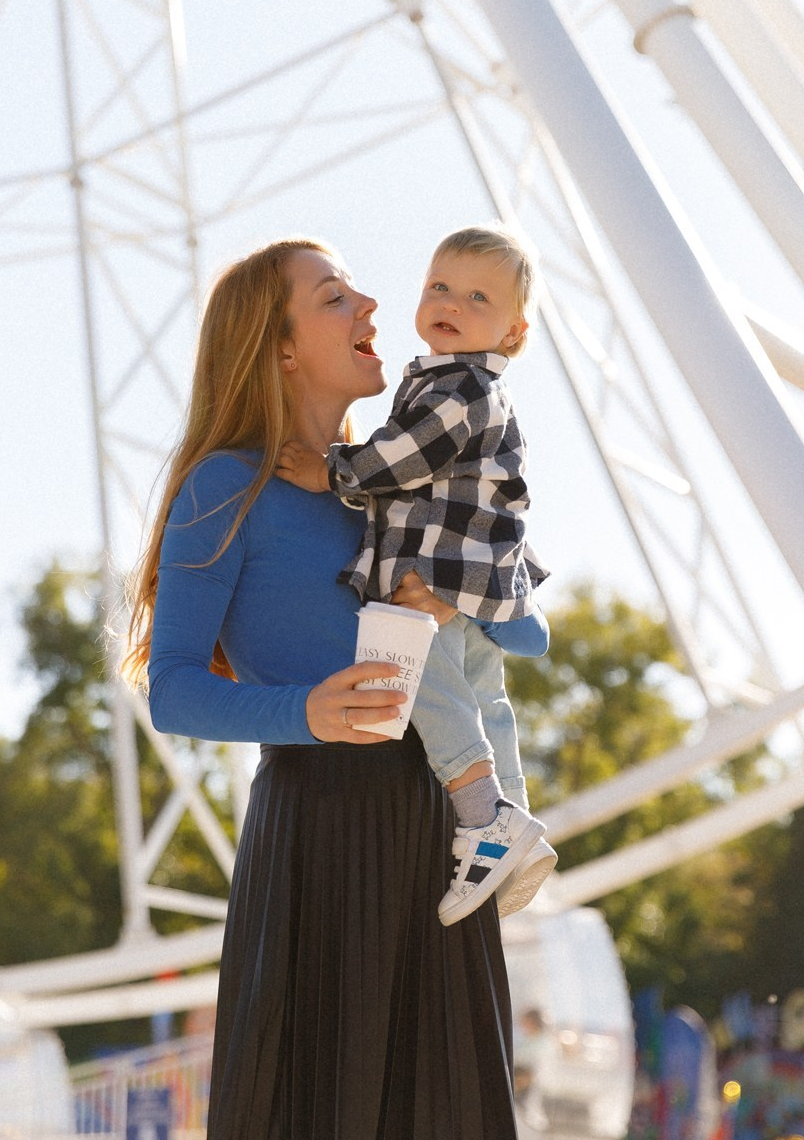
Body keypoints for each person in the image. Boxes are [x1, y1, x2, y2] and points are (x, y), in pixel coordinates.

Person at [122, 238, 520, 1139]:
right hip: (319, 832)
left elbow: (498, 628)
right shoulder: (222, 487)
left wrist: (469, 601)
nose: (373, 308)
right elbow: (174, 690)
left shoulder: (385, 493)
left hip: (440, 832)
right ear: (282, 346)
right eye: (336, 298)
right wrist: (305, 711)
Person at [276, 225, 557, 925]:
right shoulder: (461, 384)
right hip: (471, 580)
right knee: (485, 701)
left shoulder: (457, 388)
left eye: (475, 297)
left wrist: (330, 470)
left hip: (434, 577)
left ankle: (482, 818)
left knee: (429, 693)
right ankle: (516, 822)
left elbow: (405, 457)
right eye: (439, 286)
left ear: (513, 332)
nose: (450, 302)